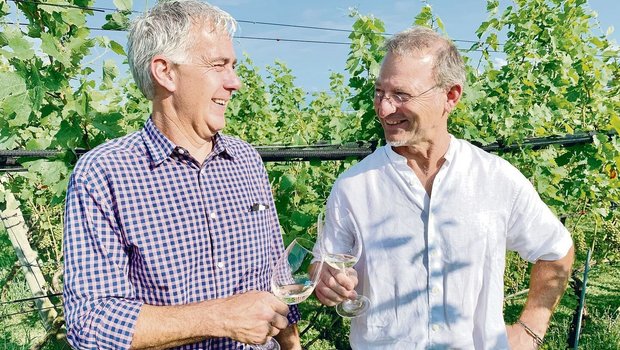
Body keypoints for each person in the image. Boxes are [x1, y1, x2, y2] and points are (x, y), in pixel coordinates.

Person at [312, 26, 574, 349]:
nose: (383, 109)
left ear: (450, 96)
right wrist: (324, 280)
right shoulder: (353, 187)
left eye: (401, 95)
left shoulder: (494, 179)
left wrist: (529, 329)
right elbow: (322, 265)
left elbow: (557, 250)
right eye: (380, 92)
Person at [62, 1, 301, 349]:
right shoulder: (104, 174)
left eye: (232, 67)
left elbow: (277, 281)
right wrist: (218, 317)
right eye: (219, 65)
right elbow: (91, 323)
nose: (235, 82)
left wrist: (292, 345)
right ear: (166, 72)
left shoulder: (246, 160)